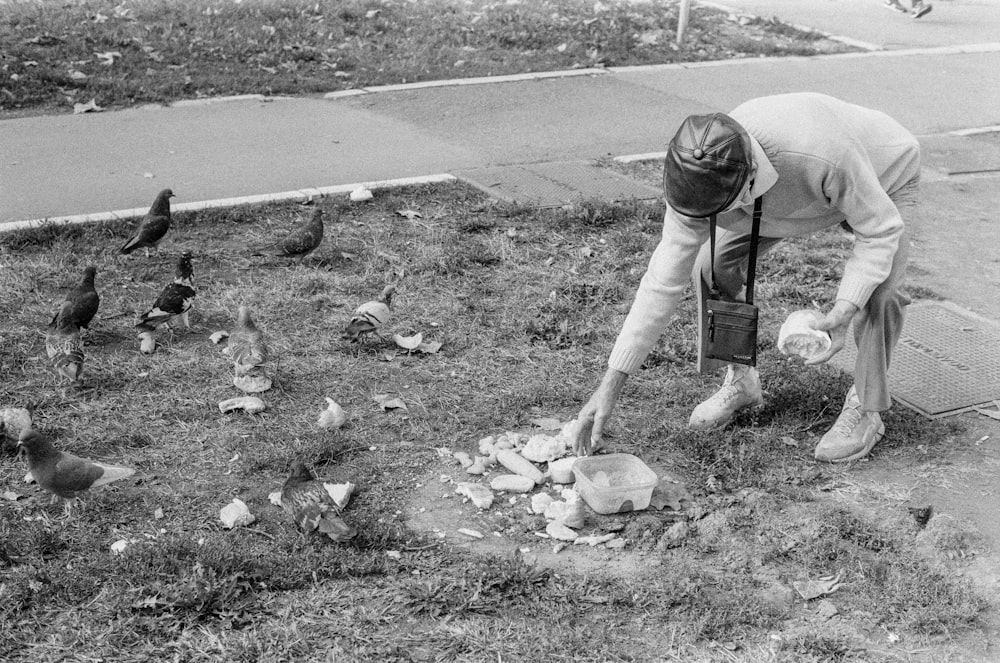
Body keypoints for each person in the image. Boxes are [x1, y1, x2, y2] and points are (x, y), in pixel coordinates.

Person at [571, 93, 921, 463]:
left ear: (750, 179)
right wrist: (610, 385)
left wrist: (844, 308)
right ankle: (742, 379)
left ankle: (866, 408)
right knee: (709, 266)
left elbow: (880, 231)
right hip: (772, 203)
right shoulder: (697, 177)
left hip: (881, 176)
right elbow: (661, 283)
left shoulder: (822, 152)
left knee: (880, 292)